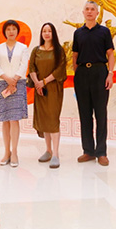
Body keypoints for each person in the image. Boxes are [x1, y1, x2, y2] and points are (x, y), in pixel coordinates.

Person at [71, 0, 115, 166]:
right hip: (82, 74)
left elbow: (110, 54)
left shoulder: (104, 32)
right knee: (84, 114)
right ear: (83, 12)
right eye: (87, 9)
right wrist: (78, 74)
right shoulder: (78, 33)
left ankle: (101, 152)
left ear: (97, 13)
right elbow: (75, 56)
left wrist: (110, 74)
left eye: (92, 9)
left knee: (101, 114)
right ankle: (88, 151)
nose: (89, 12)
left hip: (100, 73)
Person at [0, 20, 30, 168]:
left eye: (14, 29)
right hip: (2, 84)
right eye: (8, 29)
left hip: (18, 84)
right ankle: (6, 152)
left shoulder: (23, 48)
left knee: (14, 119)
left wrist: (15, 79)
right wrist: (7, 79)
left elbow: (24, 64)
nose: (11, 31)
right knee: (5, 119)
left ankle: (14, 153)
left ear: (17, 31)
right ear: (5, 32)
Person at [28, 23, 67, 169]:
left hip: (53, 89)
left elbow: (60, 70)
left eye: (49, 31)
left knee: (53, 120)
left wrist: (44, 82)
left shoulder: (59, 50)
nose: (46, 33)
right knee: (44, 119)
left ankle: (56, 154)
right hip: (40, 90)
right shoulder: (36, 50)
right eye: (44, 31)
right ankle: (48, 150)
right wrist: (37, 83)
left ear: (53, 33)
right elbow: (32, 67)